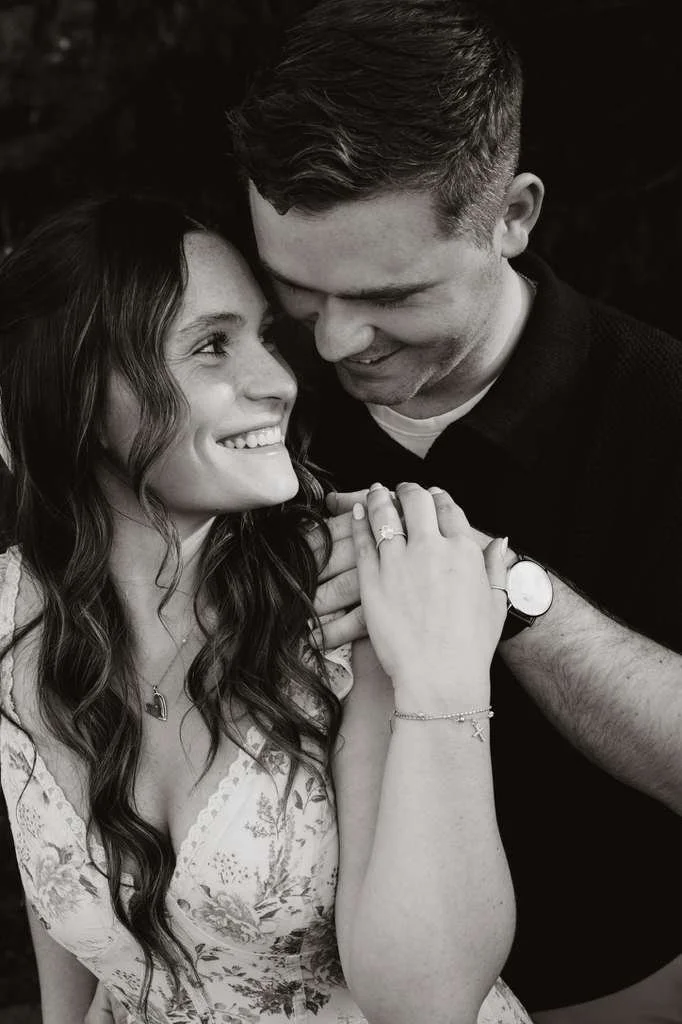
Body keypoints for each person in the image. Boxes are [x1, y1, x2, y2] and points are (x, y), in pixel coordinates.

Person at [228, 0, 682, 1020]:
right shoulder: (251, 389)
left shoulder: (657, 409)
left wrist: (497, 594)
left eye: (392, 296)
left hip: (612, 990)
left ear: (513, 215)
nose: (337, 343)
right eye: (298, 289)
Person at [0, 193, 528, 1024]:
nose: (279, 382)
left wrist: (444, 677)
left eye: (264, 338)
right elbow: (57, 896)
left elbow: (427, 1003)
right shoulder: (13, 616)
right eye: (212, 346)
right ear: (78, 400)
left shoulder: (346, 598)